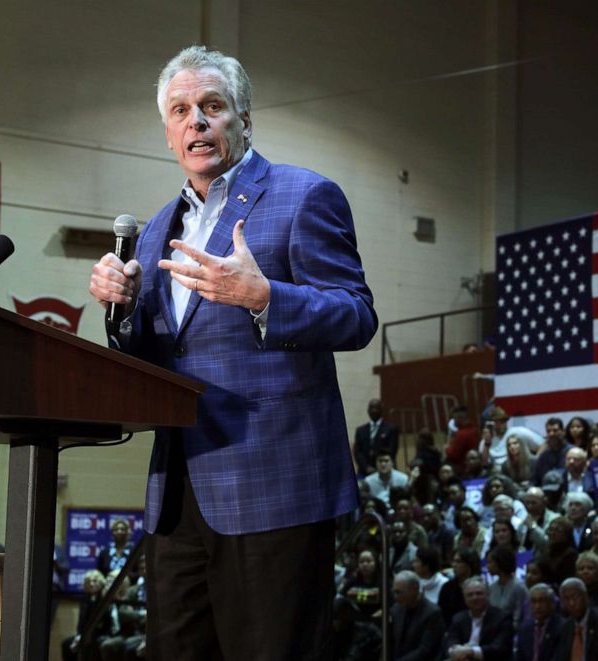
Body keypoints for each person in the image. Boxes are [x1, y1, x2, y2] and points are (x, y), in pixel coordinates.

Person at [87, 45, 376, 660]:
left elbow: (357, 315)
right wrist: (124, 309)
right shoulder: (157, 225)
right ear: (168, 132)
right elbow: (162, 352)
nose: (197, 121)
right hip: (179, 493)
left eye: (213, 107)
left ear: (245, 119)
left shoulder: (304, 196)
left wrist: (266, 296)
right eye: (182, 110)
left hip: (275, 486)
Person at [443, 578, 512, 661]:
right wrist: (454, 651)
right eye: (470, 595)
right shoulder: (458, 618)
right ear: (464, 598)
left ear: (488, 595)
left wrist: (470, 651)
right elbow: (451, 640)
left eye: (479, 593)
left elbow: (498, 648)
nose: (474, 597)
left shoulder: (502, 618)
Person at [557, 577, 598, 661]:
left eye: (575, 597)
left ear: (586, 597)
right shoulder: (565, 627)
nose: (571, 603)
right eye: (566, 599)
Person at [391, 571, 444, 661]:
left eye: (399, 592)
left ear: (415, 589)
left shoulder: (433, 613)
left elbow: (425, 650)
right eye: (394, 592)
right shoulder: (396, 609)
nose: (396, 597)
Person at [515, 583, 564, 661]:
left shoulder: (562, 627)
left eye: (542, 601)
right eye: (533, 602)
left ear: (552, 603)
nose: (537, 606)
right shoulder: (525, 629)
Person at [353, 399, 400, 477]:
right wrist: (366, 467)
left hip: (384, 471)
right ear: (368, 411)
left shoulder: (391, 429)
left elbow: (392, 450)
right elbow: (357, 452)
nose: (374, 410)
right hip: (364, 471)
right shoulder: (360, 430)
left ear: (381, 410)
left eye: (376, 408)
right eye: (371, 408)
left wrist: (379, 467)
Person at [331, 597, 381, 661]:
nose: (335, 622)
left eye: (337, 617)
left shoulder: (366, 631)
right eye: (334, 618)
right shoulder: (330, 634)